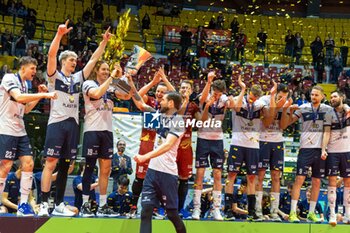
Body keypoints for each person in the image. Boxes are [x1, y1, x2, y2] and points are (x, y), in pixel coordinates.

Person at [38, 22, 111, 217]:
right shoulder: (54, 76)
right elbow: (52, 54)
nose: (74, 62)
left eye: (75, 60)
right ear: (64, 61)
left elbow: (94, 59)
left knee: (65, 166)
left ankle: (59, 203)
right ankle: (44, 203)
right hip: (56, 123)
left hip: (73, 125)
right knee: (51, 162)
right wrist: (59, 34)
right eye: (71, 59)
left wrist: (103, 43)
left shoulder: (78, 78)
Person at [0, 56, 57, 216]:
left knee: (29, 163)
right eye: (33, 68)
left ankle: (23, 205)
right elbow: (18, 97)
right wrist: (45, 96)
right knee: (5, 167)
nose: (35, 71)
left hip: (20, 129)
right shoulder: (9, 78)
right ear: (23, 67)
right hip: (6, 128)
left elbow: (25, 109)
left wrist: (39, 95)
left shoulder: (25, 84)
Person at [80, 60, 132, 217]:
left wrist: (125, 78)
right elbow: (96, 94)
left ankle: (102, 205)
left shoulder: (112, 83)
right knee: (89, 168)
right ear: (97, 70)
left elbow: (128, 95)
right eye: (103, 69)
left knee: (106, 169)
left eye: (107, 70)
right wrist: (113, 79)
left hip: (107, 131)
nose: (106, 71)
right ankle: (85, 204)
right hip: (92, 130)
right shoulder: (88, 83)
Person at [134, 91, 186, 233]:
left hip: (167, 174)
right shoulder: (159, 116)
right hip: (152, 172)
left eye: (163, 100)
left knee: (172, 215)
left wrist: (145, 157)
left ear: (170, 103)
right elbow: (140, 104)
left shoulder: (179, 121)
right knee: (145, 212)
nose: (159, 102)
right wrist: (130, 83)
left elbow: (167, 145)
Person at [225, 82, 277, 221]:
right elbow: (235, 108)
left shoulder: (259, 104)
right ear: (249, 93)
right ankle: (228, 211)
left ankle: (252, 212)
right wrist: (242, 89)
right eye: (251, 97)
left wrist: (271, 96)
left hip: (253, 145)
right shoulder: (239, 99)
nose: (252, 100)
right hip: (237, 142)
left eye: (255, 98)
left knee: (252, 178)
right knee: (231, 175)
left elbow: (269, 117)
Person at [128, 68, 175, 218]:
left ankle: (154, 210)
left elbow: (178, 97)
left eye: (163, 92)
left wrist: (165, 79)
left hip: (162, 147)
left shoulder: (170, 111)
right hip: (147, 143)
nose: (160, 94)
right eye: (158, 91)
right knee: (140, 177)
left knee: (157, 180)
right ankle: (133, 207)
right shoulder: (151, 104)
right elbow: (137, 97)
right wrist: (152, 82)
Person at [192, 73, 239, 221]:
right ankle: (196, 209)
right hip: (203, 138)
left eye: (219, 94)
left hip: (217, 139)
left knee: (218, 174)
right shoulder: (206, 94)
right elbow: (202, 106)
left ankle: (217, 209)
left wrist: (230, 100)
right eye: (215, 93)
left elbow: (234, 107)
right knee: (200, 174)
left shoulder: (223, 98)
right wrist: (208, 83)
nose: (216, 96)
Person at [282, 86, 333, 223]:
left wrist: (324, 149)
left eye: (316, 95)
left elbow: (327, 131)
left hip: (319, 149)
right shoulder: (303, 107)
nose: (313, 97)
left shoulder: (328, 110)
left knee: (316, 181)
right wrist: (288, 111)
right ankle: (293, 212)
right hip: (305, 148)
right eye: (312, 94)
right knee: (299, 180)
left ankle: (311, 213)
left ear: (322, 96)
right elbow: (287, 123)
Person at [256, 84, 291, 221]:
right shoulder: (264, 100)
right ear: (275, 94)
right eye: (280, 96)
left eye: (285, 97)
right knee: (260, 176)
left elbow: (282, 126)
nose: (282, 99)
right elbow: (266, 122)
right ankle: (258, 210)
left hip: (278, 141)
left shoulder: (286, 102)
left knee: (276, 176)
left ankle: (274, 211)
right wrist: (276, 106)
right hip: (262, 140)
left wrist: (286, 108)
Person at [321, 91, 350, 225]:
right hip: (333, 152)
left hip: (347, 151)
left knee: (348, 183)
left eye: (335, 96)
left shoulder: (348, 110)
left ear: (341, 98)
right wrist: (323, 149)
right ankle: (332, 215)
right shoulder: (328, 114)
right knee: (332, 182)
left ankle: (347, 215)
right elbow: (326, 133)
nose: (332, 99)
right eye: (331, 97)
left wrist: (348, 108)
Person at [176, 80, 201, 213]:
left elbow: (202, 122)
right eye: (182, 87)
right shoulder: (173, 103)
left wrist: (205, 107)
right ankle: (168, 207)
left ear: (191, 91)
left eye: (187, 88)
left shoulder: (193, 106)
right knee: (170, 178)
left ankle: (180, 209)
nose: (184, 90)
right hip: (172, 147)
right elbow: (178, 116)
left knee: (184, 179)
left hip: (186, 147)